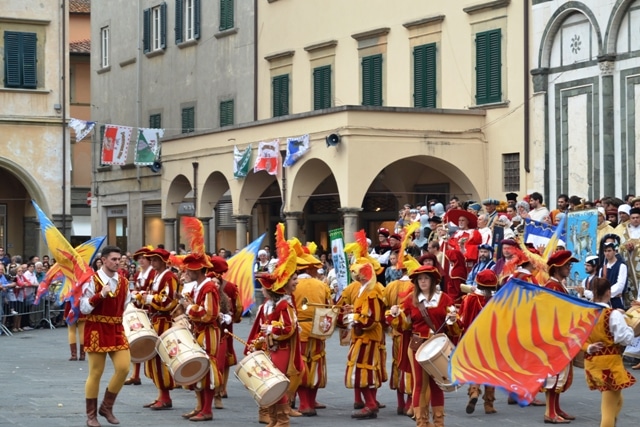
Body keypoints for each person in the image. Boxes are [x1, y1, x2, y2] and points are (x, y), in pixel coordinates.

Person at [387, 265, 461, 427]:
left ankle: (439, 423)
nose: (423, 281)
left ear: (433, 280)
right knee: (419, 383)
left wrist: (453, 319)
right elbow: (403, 326)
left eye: (426, 278)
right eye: (420, 279)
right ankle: (422, 423)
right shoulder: (410, 300)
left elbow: (454, 328)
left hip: (437, 348)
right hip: (417, 347)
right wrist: (394, 313)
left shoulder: (445, 299)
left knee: (437, 385)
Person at [247, 226, 303, 426]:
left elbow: (289, 328)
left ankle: (282, 419)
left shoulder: (284, 305)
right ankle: (272, 418)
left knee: (276, 384)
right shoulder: (268, 306)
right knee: (268, 384)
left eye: (265, 288)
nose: (262, 291)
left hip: (281, 349)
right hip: (269, 349)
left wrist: (271, 330)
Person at [79, 246, 131, 427]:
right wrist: (99, 295)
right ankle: (91, 415)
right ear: (103, 260)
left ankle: (107, 407)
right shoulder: (92, 280)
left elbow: (125, 305)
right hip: (96, 328)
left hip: (116, 328)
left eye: (119, 259)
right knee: (96, 373)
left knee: (124, 368)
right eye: (114, 259)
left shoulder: (124, 282)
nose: (118, 262)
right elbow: (84, 308)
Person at [337, 257, 386, 420]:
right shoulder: (364, 289)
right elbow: (365, 311)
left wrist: (354, 317)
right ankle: (370, 402)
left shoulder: (371, 292)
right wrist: (354, 310)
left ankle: (370, 404)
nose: (357, 278)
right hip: (363, 336)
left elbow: (372, 318)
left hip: (368, 337)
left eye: (359, 275)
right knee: (364, 370)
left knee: (362, 370)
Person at [583, 277, 636, 427]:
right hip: (610, 364)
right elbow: (625, 339)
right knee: (608, 407)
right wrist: (628, 326)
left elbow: (577, 336)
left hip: (592, 362)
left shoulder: (586, 313)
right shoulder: (612, 315)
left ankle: (613, 423)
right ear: (608, 292)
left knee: (617, 400)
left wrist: (588, 347)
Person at [134, 248, 179, 410]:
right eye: (151, 260)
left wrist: (148, 298)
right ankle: (161, 394)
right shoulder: (156, 276)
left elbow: (168, 301)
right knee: (153, 359)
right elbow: (154, 295)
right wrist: (142, 296)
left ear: (163, 261)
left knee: (160, 358)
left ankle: (165, 396)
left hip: (164, 321)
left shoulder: (170, 277)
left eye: (155, 260)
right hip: (155, 320)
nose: (152, 262)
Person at [180, 253, 222, 422]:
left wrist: (189, 307)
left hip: (208, 333)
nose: (186, 272)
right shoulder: (199, 286)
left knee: (206, 369)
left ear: (197, 270)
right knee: (198, 369)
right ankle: (200, 407)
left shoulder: (209, 287)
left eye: (189, 269)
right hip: (199, 331)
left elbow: (210, 315)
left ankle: (206, 410)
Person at [292, 250, 331, 416]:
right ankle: (310, 402)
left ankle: (304, 403)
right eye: (314, 268)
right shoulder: (322, 285)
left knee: (299, 365)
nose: (317, 270)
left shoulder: (291, 285)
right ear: (309, 269)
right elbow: (329, 307)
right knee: (315, 365)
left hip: (298, 331)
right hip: (317, 329)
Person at [543, 250, 579, 424]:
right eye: (567, 265)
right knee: (554, 375)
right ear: (557, 267)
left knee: (560, 374)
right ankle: (550, 412)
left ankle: (555, 408)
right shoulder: (552, 286)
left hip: (562, 335)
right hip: (555, 337)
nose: (569, 268)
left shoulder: (558, 284)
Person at [459, 269, 499, 415]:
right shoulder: (498, 300)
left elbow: (462, 319)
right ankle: (489, 403)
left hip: (474, 340)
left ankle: (474, 391)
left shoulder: (470, 299)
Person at [123, 246, 156, 386]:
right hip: (140, 309)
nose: (141, 261)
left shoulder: (153, 274)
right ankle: (135, 374)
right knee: (137, 340)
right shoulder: (139, 274)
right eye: (139, 259)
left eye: (144, 258)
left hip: (151, 310)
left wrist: (139, 295)